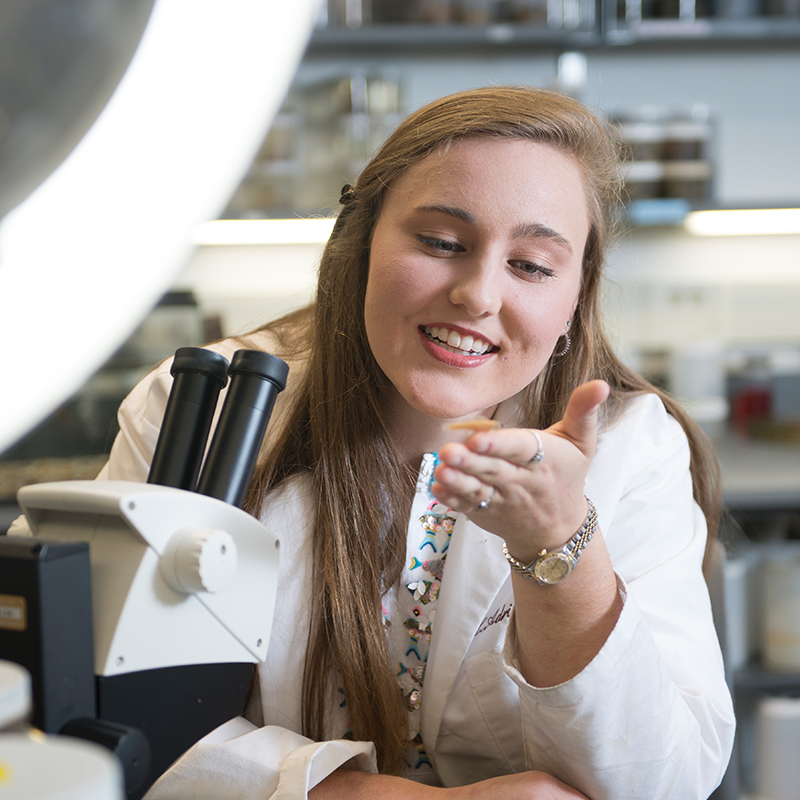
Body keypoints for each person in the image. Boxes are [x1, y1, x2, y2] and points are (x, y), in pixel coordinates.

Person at [96, 85, 734, 799]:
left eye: (530, 265)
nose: (478, 295)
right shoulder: (203, 411)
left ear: (575, 300)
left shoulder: (632, 451)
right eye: (440, 243)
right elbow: (102, 711)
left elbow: (663, 780)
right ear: (361, 243)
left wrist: (558, 540)